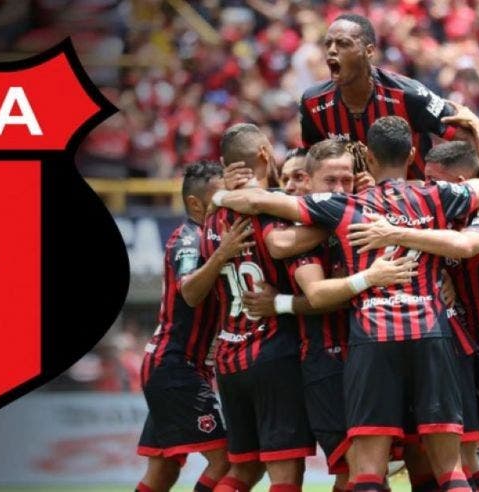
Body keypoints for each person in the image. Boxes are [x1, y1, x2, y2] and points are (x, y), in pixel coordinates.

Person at [210, 109, 479, 492]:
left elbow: (259, 208)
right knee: (449, 470)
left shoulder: (344, 207)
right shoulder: (436, 196)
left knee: (366, 471)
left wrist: (221, 193)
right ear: (414, 152)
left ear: (366, 158)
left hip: (372, 339)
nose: (337, 185)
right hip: (431, 335)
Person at [347, 136, 479, 490]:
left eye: (434, 183)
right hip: (458, 350)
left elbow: (463, 247)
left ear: (461, 185)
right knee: (460, 458)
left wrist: (396, 232)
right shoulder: (441, 218)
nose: (427, 190)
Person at [245, 139, 416, 492]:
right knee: (358, 470)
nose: (339, 190)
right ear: (308, 183)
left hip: (373, 355)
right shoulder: (297, 235)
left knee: (368, 469)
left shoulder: (368, 218)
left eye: (346, 182)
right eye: (330, 183)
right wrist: (368, 275)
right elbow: (318, 294)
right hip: (327, 360)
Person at [202, 123, 316, 492]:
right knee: (285, 473)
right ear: (266, 153)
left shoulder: (212, 218)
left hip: (229, 356)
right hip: (271, 350)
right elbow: (282, 246)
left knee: (243, 471)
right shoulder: (272, 210)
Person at [136, 161, 255, 492]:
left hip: (179, 368)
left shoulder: (213, 236)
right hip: (175, 367)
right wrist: (222, 254)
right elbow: (189, 291)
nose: (226, 205)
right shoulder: (188, 238)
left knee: (163, 470)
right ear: (195, 204)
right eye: (220, 198)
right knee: (227, 461)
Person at [299, 12, 459, 179]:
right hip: (349, 203)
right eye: (328, 44)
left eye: (343, 44)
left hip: (411, 201)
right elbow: (313, 165)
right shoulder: (313, 103)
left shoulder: (409, 94)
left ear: (369, 51)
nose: (331, 51)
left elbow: (465, 133)